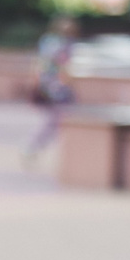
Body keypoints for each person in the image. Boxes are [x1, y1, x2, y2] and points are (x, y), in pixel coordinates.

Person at [22, 15, 77, 161]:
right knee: (55, 119)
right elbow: (46, 64)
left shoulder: (66, 43)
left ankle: (38, 147)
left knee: (58, 119)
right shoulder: (53, 42)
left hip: (58, 86)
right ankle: (34, 146)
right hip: (52, 86)